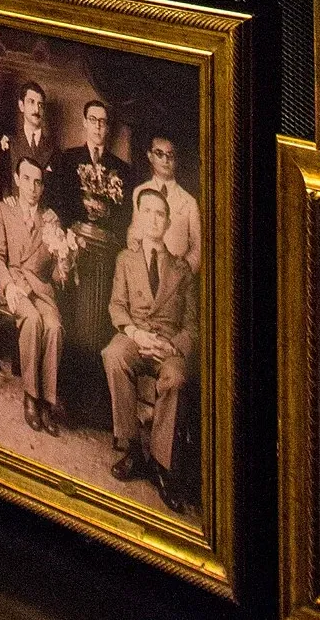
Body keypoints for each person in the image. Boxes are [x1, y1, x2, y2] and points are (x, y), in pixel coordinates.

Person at [102, 186, 196, 508]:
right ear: (138, 218)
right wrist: (135, 334)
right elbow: (116, 307)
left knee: (177, 377)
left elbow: (192, 326)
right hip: (135, 337)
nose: (154, 219)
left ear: (168, 222)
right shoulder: (125, 260)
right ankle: (132, 449)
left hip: (166, 348)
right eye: (148, 213)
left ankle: (160, 464)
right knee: (114, 354)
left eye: (160, 214)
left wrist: (170, 345)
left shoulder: (182, 270)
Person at [0, 155, 64, 435]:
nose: (33, 187)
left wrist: (65, 262)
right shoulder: (3, 210)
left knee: (54, 327)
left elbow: (55, 272)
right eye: (27, 179)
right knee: (32, 321)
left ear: (43, 188)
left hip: (42, 288)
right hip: (15, 285)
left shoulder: (50, 219)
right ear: (18, 180)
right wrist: (7, 286)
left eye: (38, 182)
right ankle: (31, 396)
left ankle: (48, 401)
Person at [54, 100, 131, 241]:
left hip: (105, 241)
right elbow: (61, 198)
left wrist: (106, 211)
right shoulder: (68, 158)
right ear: (85, 122)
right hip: (74, 237)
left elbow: (124, 213)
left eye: (102, 121)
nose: (97, 126)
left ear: (107, 127)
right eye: (93, 119)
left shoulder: (121, 168)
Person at [126, 135, 202, 274]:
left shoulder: (189, 201)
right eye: (159, 154)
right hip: (145, 272)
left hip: (176, 276)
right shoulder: (139, 192)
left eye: (170, 155)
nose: (165, 160)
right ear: (150, 156)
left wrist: (187, 267)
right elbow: (134, 229)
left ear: (176, 159)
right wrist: (132, 241)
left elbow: (198, 246)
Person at [3, 79, 57, 193]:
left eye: (40, 105)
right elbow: (2, 179)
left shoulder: (54, 149)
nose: (36, 109)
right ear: (21, 105)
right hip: (15, 207)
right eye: (31, 102)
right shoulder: (9, 142)